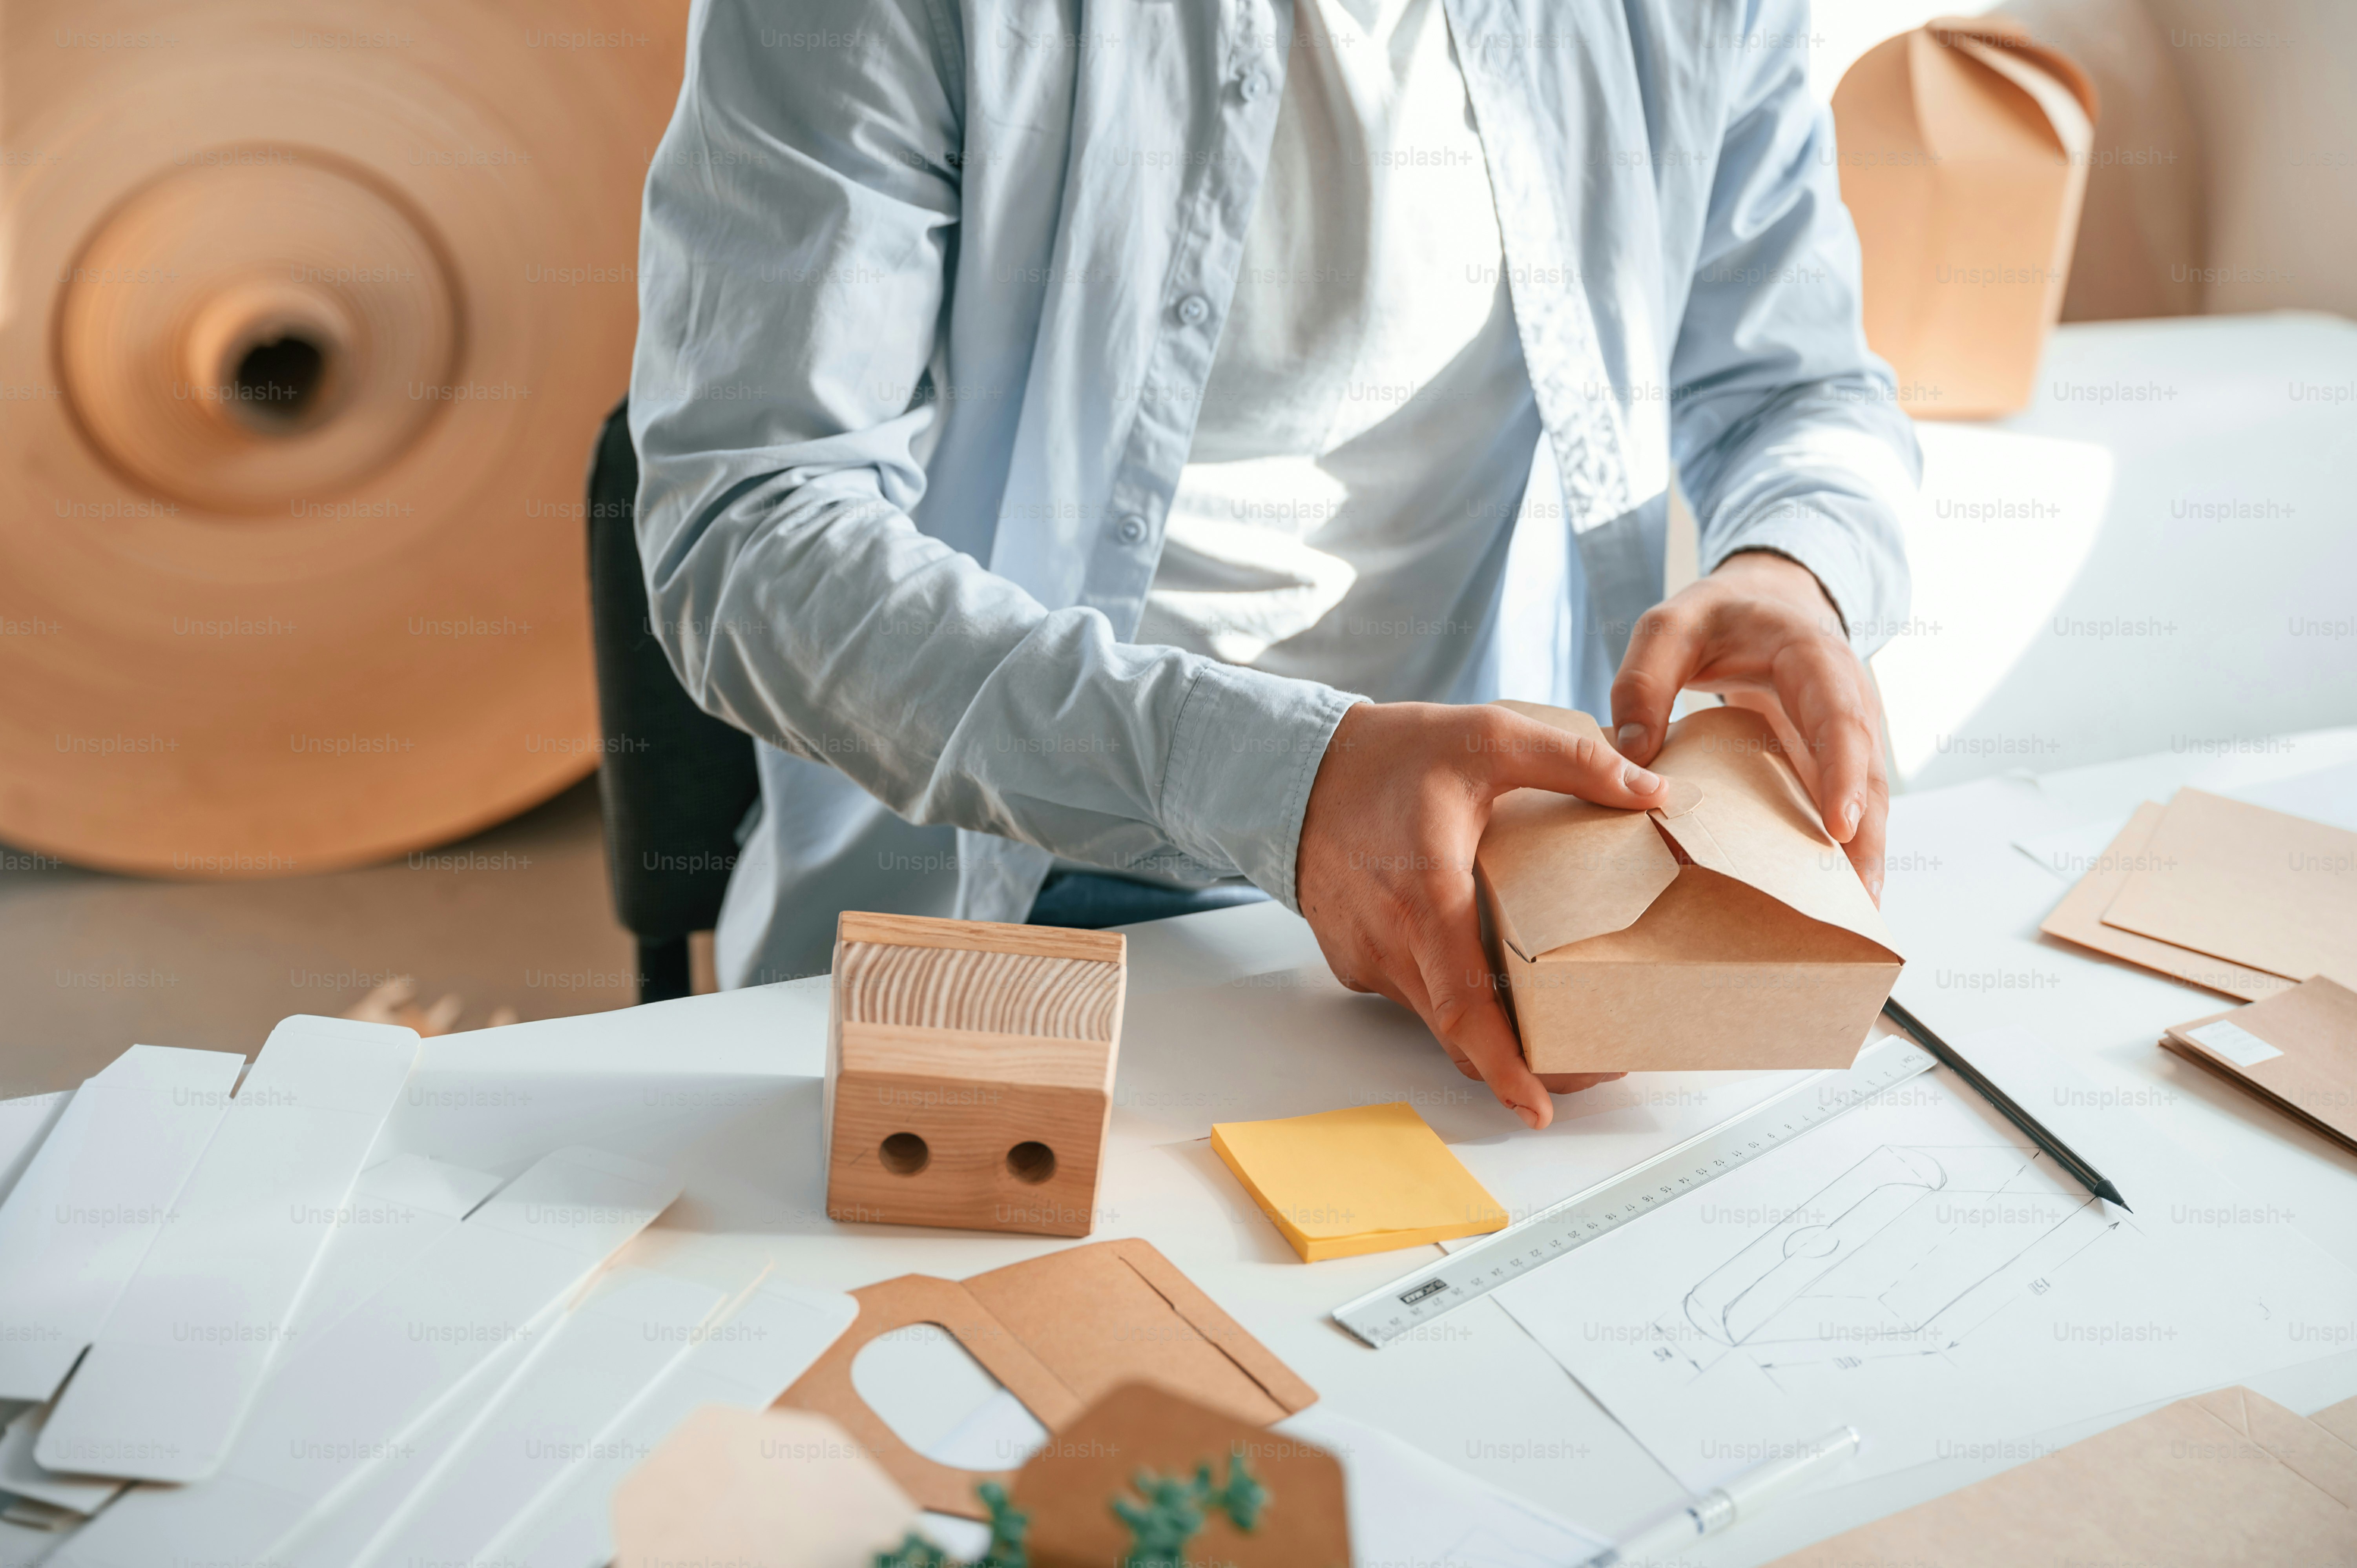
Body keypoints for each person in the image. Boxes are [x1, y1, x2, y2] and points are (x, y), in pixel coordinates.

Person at [630, 0, 1916, 1129]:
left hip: (1511, 896)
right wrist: (1284, 787)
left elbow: (1802, 390)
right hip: (1024, 884)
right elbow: (748, 527)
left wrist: (1793, 567)